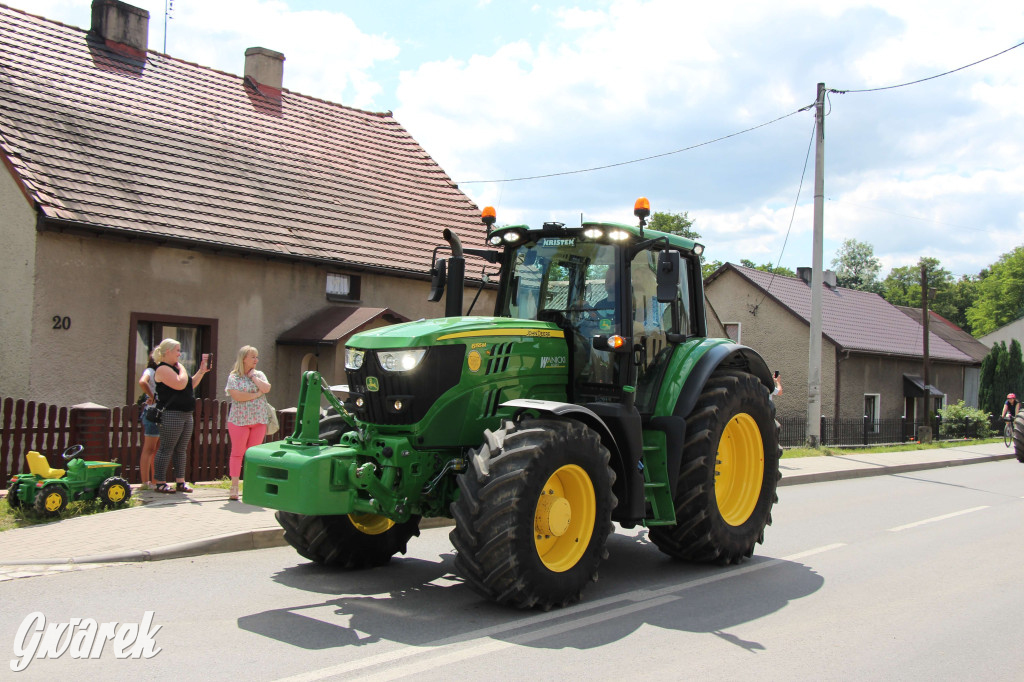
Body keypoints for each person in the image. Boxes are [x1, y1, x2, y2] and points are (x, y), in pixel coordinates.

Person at [151, 338, 210, 493]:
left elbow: (189, 385)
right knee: (166, 448)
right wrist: (183, 368)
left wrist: (202, 371)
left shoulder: (177, 369)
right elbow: (180, 383)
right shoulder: (163, 369)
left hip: (186, 414)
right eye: (177, 350)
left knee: (181, 449)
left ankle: (180, 481)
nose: (180, 354)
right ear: (167, 351)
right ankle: (160, 482)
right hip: (171, 414)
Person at [224, 345, 271, 501]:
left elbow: (266, 388)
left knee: (254, 454)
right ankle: (235, 486)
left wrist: (253, 378)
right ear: (243, 358)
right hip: (239, 420)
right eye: (253, 357)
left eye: (257, 357)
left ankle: (251, 485)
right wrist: (256, 394)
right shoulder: (234, 377)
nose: (256, 360)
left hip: (259, 420)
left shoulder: (259, 374)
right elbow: (237, 396)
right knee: (237, 453)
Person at [137, 357, 160, 490]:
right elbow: (142, 382)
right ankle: (145, 483)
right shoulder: (150, 371)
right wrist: (152, 397)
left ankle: (155, 482)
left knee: (157, 450)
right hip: (152, 414)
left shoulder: (162, 372)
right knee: (149, 449)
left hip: (160, 414)